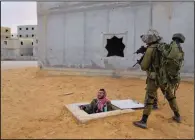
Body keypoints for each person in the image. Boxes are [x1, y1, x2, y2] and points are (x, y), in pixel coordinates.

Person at [133, 29, 184, 129]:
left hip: (154, 78)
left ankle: (143, 121)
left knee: (149, 97)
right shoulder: (163, 46)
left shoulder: (151, 49)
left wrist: (141, 61)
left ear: (150, 39)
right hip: (164, 78)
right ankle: (177, 115)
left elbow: (144, 66)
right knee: (170, 96)